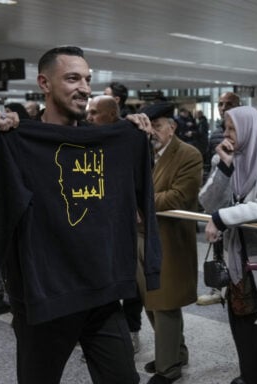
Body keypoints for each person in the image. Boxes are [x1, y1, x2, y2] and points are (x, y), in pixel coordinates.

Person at [0, 46, 160, 384]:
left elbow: (134, 196)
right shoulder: (17, 142)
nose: (85, 88)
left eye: (88, 79)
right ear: (44, 83)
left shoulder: (104, 142)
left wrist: (134, 138)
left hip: (101, 294)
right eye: (73, 78)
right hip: (43, 299)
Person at [199, 106, 257, 384]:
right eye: (225, 127)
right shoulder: (228, 157)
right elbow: (208, 202)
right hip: (235, 257)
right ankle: (250, 374)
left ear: (249, 128)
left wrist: (222, 218)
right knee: (241, 324)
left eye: (232, 127)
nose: (226, 134)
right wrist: (224, 167)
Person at [137, 102, 203, 384]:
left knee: (165, 303)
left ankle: (168, 368)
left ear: (172, 128)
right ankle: (177, 351)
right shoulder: (144, 153)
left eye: (158, 125)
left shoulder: (189, 155)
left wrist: (139, 204)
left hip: (169, 241)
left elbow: (179, 196)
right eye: (149, 125)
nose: (152, 131)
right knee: (151, 301)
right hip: (140, 236)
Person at [86, 94, 144, 353]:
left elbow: (142, 177)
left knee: (130, 281)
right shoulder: (87, 137)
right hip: (97, 222)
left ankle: (132, 330)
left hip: (125, 221)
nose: (89, 118)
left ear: (111, 114)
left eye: (94, 112)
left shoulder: (129, 138)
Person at [198, 91, 240, 306]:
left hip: (237, 209)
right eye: (221, 104)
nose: (223, 107)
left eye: (228, 104)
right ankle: (218, 288)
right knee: (217, 248)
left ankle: (232, 289)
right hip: (219, 202)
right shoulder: (216, 133)